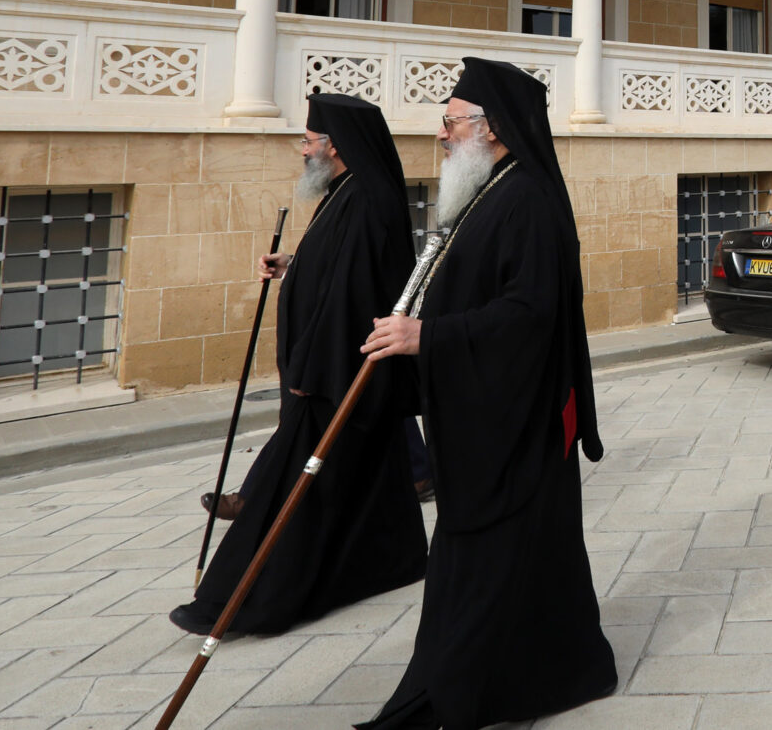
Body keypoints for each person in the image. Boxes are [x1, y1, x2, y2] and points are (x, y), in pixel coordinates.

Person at [359, 58, 616, 729]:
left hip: (517, 424)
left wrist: (429, 337)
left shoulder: (525, 198)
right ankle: (532, 670)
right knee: (508, 563)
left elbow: (529, 316)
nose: (442, 135)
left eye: (451, 121)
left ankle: (469, 687)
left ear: (493, 128)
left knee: (499, 561)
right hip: (487, 417)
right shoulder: (490, 189)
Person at [172, 94, 427, 637]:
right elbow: (334, 270)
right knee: (368, 480)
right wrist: (294, 264)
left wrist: (312, 374)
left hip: (335, 373)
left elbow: (354, 296)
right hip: (332, 368)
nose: (302, 152)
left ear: (334, 146)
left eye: (308, 142)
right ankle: (397, 560)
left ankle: (239, 601)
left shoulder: (366, 198)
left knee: (299, 497)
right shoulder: (345, 193)